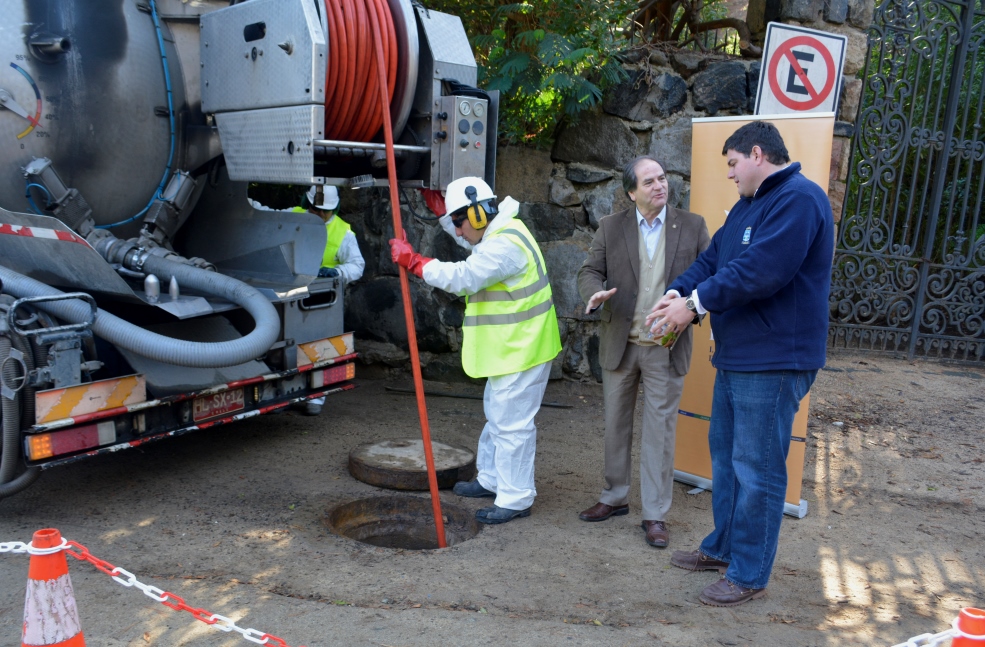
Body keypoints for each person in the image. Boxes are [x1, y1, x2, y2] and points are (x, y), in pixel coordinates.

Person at [646, 121, 834, 607]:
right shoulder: (749, 205)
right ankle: (724, 549)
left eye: (732, 163)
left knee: (758, 470)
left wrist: (695, 306)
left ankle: (749, 574)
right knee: (729, 463)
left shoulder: (800, 199)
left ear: (756, 154)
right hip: (739, 357)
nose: (729, 174)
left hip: (774, 361)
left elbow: (761, 271)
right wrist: (678, 292)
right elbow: (714, 262)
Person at [388, 177, 562, 525]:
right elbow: (473, 243)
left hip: (523, 348)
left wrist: (415, 261)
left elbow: (464, 277)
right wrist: (444, 214)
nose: (458, 231)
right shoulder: (500, 231)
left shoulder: (505, 246)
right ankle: (491, 480)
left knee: (512, 426)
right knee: (498, 416)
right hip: (514, 346)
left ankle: (515, 498)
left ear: (479, 214)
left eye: (459, 221)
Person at [576, 156, 710, 548]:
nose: (660, 185)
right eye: (649, 181)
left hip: (667, 347)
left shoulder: (693, 226)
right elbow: (589, 271)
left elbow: (711, 273)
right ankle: (614, 496)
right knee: (615, 425)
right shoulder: (610, 226)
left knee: (660, 432)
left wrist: (692, 309)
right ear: (631, 192)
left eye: (662, 178)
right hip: (621, 341)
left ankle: (655, 514)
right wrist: (594, 294)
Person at [298, 185, 365, 416]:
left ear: (334, 209)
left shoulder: (343, 232)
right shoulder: (293, 216)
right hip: (293, 293)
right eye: (316, 209)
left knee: (322, 346)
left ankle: (317, 397)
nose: (320, 214)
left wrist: (336, 273)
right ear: (308, 204)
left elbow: (357, 266)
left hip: (323, 299)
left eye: (325, 211)